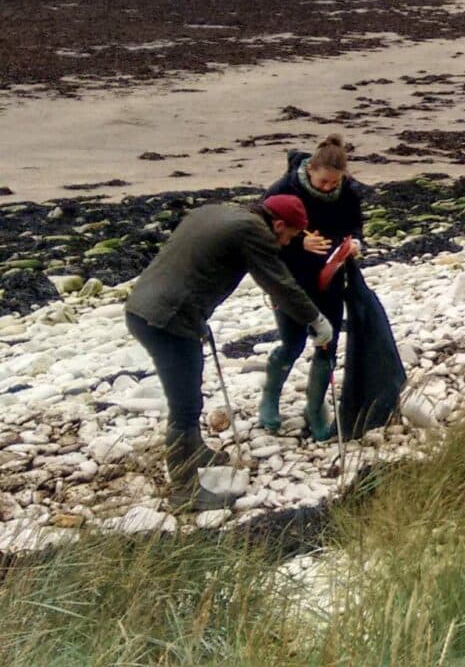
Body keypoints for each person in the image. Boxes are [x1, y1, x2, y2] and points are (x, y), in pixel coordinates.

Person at [125, 196, 333, 501]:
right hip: (167, 320)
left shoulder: (219, 211)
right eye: (288, 237)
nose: (286, 244)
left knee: (190, 390)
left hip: (146, 307)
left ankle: (195, 452)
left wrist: (197, 315)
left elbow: (189, 265)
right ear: (277, 225)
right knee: (184, 406)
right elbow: (279, 284)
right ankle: (185, 490)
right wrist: (316, 320)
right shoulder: (252, 231)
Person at [259, 135, 366, 440]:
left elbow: (356, 225)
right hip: (289, 279)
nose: (329, 188)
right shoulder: (284, 189)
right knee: (291, 343)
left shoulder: (347, 191)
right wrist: (300, 243)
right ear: (311, 171)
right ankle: (269, 402)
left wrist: (355, 243)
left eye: (334, 183)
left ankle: (315, 408)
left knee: (327, 343)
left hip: (330, 275)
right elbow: (262, 237)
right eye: (323, 183)